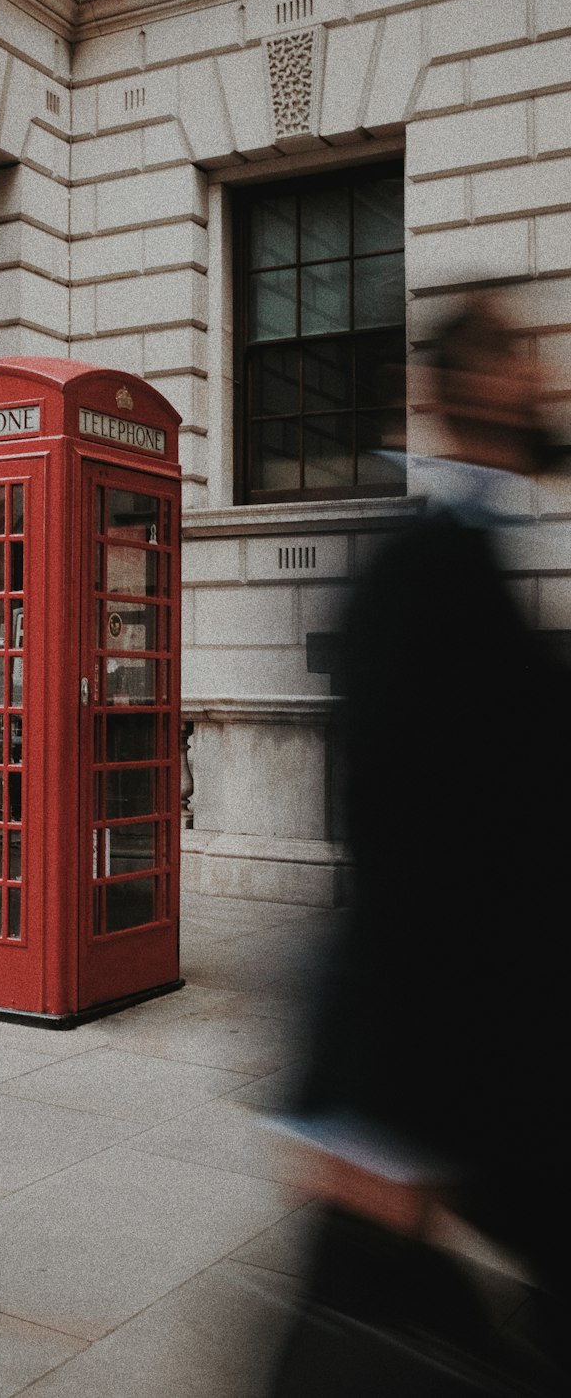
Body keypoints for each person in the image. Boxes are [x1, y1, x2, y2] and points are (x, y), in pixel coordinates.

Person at [270, 296, 568, 1391]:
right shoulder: (418, 571)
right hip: (428, 1070)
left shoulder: (478, 559)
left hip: (469, 1061)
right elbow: (392, 851)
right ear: (461, 391)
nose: (545, 380)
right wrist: (379, 1125)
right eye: (522, 359)